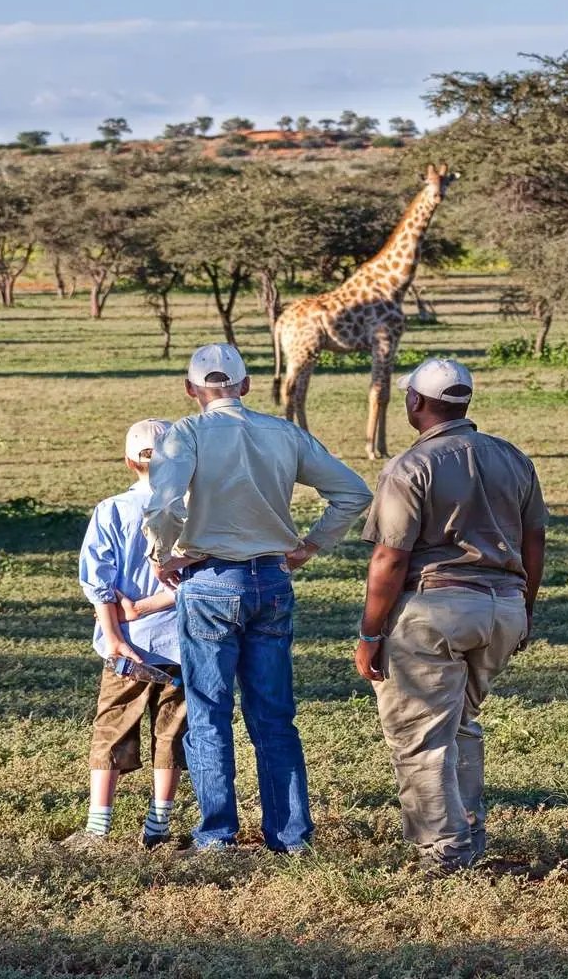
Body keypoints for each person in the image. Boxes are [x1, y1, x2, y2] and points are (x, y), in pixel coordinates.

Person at [143, 343, 372, 853]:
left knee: (208, 713)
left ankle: (217, 836)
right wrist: (310, 546)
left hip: (207, 583)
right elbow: (353, 493)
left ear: (190, 389)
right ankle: (290, 836)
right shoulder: (283, 432)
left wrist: (162, 556)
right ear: (245, 386)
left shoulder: (186, 433)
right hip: (271, 580)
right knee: (273, 716)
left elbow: (164, 507)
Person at [353, 358, 547, 873]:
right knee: (459, 725)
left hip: (434, 610)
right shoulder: (513, 458)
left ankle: (444, 854)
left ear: (415, 402)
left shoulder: (410, 467)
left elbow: (390, 557)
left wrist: (370, 632)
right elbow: (534, 540)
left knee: (420, 735)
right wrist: (522, 611)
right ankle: (467, 835)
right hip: (502, 610)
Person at [68, 418, 184, 849]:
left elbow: (96, 579)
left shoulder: (111, 510)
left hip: (126, 646)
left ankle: (98, 827)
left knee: (111, 728)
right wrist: (154, 604)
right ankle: (158, 826)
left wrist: (115, 629)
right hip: (183, 641)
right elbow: (198, 578)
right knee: (172, 732)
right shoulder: (193, 510)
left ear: (127, 462)